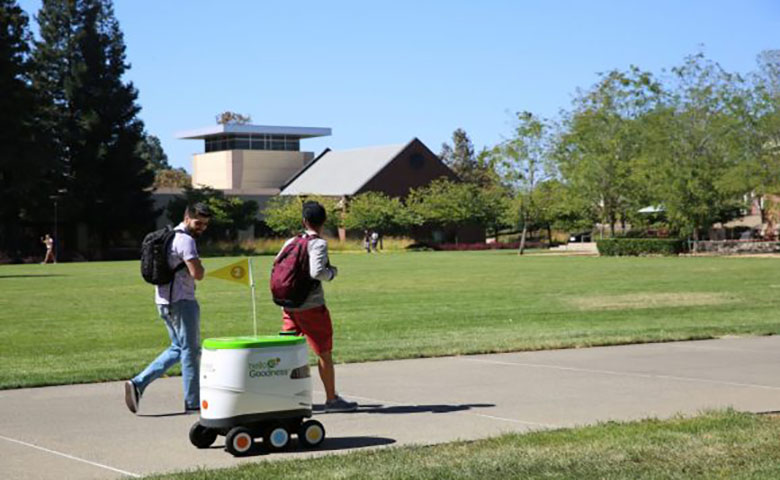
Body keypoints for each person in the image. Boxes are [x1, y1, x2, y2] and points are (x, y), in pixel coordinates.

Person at [125, 203, 211, 414]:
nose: (201, 228)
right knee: (190, 352)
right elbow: (197, 273)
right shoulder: (186, 241)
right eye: (198, 223)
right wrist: (200, 267)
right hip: (182, 302)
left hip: (163, 301)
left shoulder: (170, 236)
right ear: (187, 217)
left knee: (177, 348)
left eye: (205, 224)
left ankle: (138, 384)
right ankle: (193, 403)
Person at [277, 201, 358, 412]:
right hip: (311, 306)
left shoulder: (291, 241)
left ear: (304, 220)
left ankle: (286, 398)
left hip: (288, 305)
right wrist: (332, 273)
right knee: (323, 352)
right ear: (323, 222)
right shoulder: (318, 244)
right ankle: (332, 399)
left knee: (288, 352)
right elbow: (317, 272)